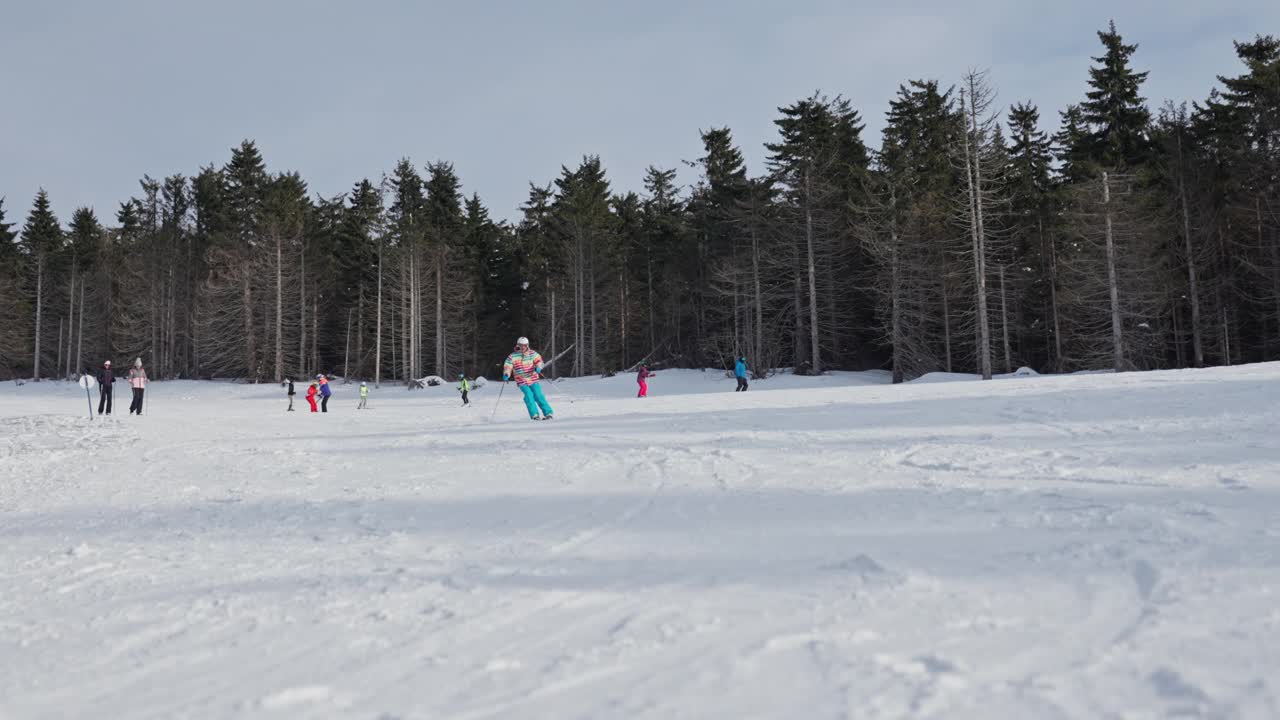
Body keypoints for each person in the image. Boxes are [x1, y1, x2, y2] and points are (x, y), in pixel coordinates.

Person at [502, 336, 553, 420]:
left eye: (525, 345)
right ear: (517, 345)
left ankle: (548, 413)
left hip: (533, 378)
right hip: (521, 380)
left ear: (527, 345)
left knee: (538, 395)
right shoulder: (513, 356)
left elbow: (539, 361)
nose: (523, 347)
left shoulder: (532, 354)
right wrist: (506, 374)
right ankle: (534, 415)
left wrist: (538, 367)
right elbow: (508, 366)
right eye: (521, 345)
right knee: (529, 395)